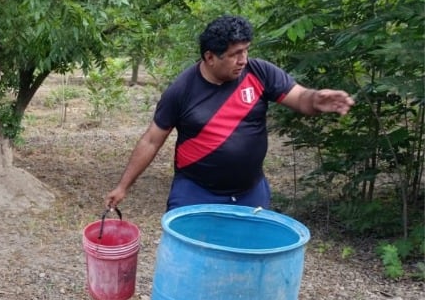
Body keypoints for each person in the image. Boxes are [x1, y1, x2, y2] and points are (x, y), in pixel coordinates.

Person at [105, 15, 354, 212]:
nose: (243, 60)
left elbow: (299, 98)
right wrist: (123, 186)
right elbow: (151, 140)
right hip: (195, 191)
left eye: (245, 50)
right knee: (190, 255)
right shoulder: (181, 90)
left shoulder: (260, 73)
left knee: (248, 256)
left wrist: (315, 99)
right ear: (210, 57)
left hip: (250, 192)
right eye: (235, 54)